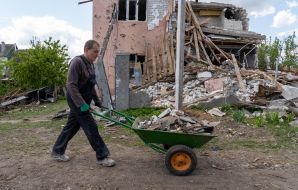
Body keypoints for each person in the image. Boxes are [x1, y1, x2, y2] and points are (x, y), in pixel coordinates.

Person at [51, 40, 115, 167]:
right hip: (76, 100)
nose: (97, 54)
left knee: (72, 126)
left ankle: (57, 151)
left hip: (84, 100)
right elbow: (71, 85)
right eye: (95, 52)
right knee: (91, 126)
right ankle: (102, 156)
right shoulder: (77, 62)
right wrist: (81, 104)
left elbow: (90, 86)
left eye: (98, 52)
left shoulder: (90, 64)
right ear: (86, 49)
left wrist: (97, 101)